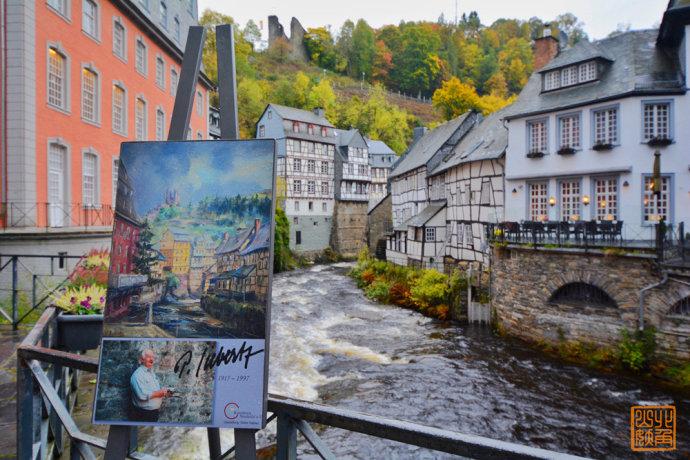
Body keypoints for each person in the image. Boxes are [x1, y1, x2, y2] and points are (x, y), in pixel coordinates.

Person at [129, 348, 172, 422]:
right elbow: (142, 395)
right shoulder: (137, 375)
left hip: (152, 414)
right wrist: (159, 393)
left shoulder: (151, 373)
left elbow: (154, 391)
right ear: (142, 359)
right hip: (143, 414)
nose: (152, 359)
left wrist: (164, 393)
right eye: (148, 357)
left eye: (153, 357)